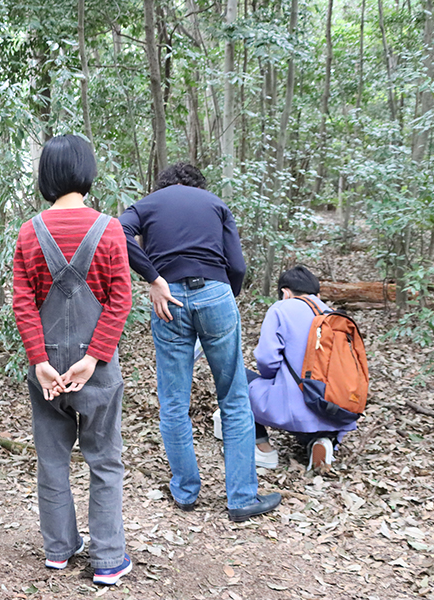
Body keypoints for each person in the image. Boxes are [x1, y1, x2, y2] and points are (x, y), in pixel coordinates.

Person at [119, 162, 280, 522]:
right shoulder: (215, 204)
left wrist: (152, 277)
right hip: (216, 295)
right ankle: (241, 499)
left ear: (164, 184)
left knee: (174, 402)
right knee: (235, 398)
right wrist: (225, 295)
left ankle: (185, 492)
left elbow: (116, 233)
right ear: (197, 184)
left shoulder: (146, 205)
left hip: (168, 302)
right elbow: (236, 265)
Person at [13, 134, 133, 585]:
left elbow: (23, 303)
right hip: (96, 368)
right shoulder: (109, 229)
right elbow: (120, 300)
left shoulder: (30, 231)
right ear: (87, 172)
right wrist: (95, 357)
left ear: (46, 177)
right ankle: (108, 559)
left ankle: (59, 550)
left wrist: (39, 360)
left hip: (45, 368)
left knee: (52, 458)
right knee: (104, 459)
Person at [248, 265, 357, 471]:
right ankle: (322, 441)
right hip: (336, 408)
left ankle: (262, 447)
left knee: (239, 379)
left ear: (285, 292)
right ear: (316, 292)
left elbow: (266, 360)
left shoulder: (281, 309)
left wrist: (272, 378)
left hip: (295, 404)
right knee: (310, 408)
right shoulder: (334, 315)